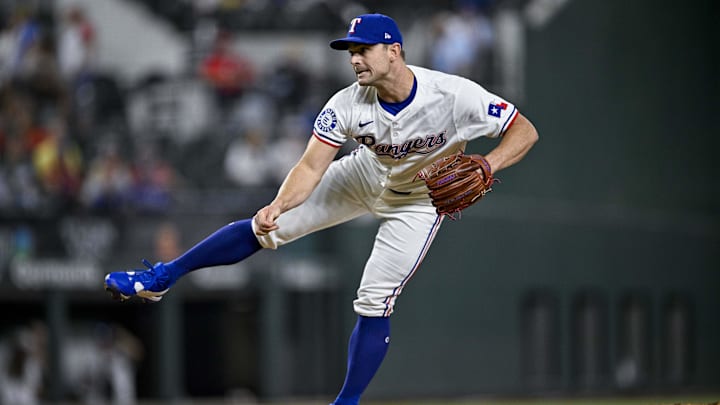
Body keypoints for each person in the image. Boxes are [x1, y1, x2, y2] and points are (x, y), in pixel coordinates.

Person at [104, 13, 538, 404]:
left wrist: (488, 162)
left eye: (364, 50)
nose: (355, 60)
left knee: (374, 301)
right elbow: (311, 166)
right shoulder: (347, 102)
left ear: (394, 51)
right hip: (363, 175)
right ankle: (162, 276)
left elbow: (524, 130)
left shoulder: (452, 94)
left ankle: (345, 404)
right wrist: (278, 205)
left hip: (418, 204)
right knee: (262, 228)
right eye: (351, 52)